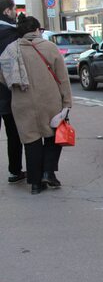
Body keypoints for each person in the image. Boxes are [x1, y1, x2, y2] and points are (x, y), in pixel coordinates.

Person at [0, 16, 72, 194]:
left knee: (31, 140)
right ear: (37, 30)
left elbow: (2, 76)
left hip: (21, 102)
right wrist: (67, 102)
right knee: (53, 136)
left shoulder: (11, 50)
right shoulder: (49, 47)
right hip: (49, 99)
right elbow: (63, 78)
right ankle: (48, 171)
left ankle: (35, 184)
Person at [0, 0, 24, 184]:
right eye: (14, 9)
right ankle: (15, 171)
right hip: (7, 93)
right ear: (6, 11)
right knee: (13, 133)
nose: (15, 12)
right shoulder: (11, 34)